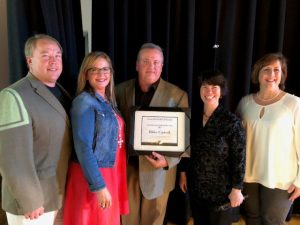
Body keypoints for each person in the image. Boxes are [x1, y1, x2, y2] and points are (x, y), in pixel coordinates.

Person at [0, 34, 72, 225]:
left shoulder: (61, 92)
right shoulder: (14, 95)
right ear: (30, 60)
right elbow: (12, 158)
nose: (54, 61)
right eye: (46, 55)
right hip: (33, 204)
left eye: (57, 55)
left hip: (57, 194)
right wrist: (29, 199)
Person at [115, 43, 189, 225]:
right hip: (127, 170)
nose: (152, 66)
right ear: (137, 65)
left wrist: (168, 162)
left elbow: (184, 139)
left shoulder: (177, 94)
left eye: (157, 62)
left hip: (159, 173)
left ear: (162, 66)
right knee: (127, 221)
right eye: (146, 61)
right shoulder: (118, 90)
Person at [63, 51, 129, 225]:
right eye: (95, 70)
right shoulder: (83, 102)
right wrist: (98, 185)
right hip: (94, 175)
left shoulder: (108, 101)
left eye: (106, 69)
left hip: (112, 171)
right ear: (86, 74)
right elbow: (83, 146)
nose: (102, 74)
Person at [236, 53, 300, 225]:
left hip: (281, 179)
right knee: (252, 218)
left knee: (272, 221)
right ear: (258, 73)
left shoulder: (294, 104)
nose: (272, 75)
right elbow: (235, 142)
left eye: (276, 70)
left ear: (282, 74)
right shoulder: (244, 103)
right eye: (267, 70)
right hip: (248, 176)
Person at [179, 70, 246, 225]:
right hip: (196, 187)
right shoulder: (192, 118)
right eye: (205, 86)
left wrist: (237, 188)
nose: (209, 91)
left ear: (222, 91)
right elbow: (186, 149)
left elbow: (239, 157)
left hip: (221, 191)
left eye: (214, 86)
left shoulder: (231, 122)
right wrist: (182, 173)